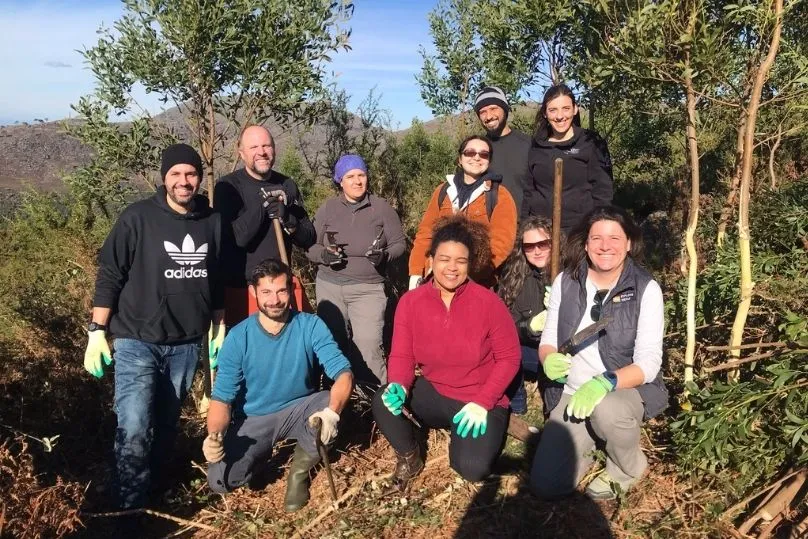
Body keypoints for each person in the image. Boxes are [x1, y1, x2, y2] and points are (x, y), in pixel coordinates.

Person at [82, 144, 225, 510]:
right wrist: (97, 331)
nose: (183, 181)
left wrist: (218, 326)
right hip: (137, 340)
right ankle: (129, 507)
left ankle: (155, 495)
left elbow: (216, 277)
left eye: (190, 173)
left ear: (199, 178)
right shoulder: (137, 218)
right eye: (176, 174)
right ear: (164, 178)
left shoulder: (212, 221)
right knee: (134, 424)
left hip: (186, 344)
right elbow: (110, 275)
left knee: (165, 425)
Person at [529, 205, 667, 501]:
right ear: (586, 244)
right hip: (571, 392)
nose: (605, 246)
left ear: (628, 243)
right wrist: (548, 358)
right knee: (546, 484)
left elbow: (649, 362)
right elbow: (549, 337)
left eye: (615, 238)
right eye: (597, 238)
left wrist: (606, 382)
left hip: (620, 391)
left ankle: (628, 467)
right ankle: (592, 438)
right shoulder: (567, 281)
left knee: (607, 411)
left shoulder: (646, 289)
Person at [373, 216, 520, 488]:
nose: (452, 268)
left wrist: (484, 401)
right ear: (431, 260)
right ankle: (410, 456)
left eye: (460, 261)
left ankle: (472, 436)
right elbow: (402, 355)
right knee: (384, 399)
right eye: (444, 259)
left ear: (470, 264)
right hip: (436, 393)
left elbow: (509, 358)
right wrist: (399, 385)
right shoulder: (410, 303)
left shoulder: (488, 303)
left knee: (472, 468)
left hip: (478, 400)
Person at [203, 258, 353, 512]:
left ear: (291, 290)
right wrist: (214, 435)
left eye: (281, 291)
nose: (274, 300)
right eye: (266, 292)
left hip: (300, 408)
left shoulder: (310, 325)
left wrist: (332, 413)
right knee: (221, 479)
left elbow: (343, 373)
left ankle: (299, 473)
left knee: (331, 402)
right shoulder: (238, 337)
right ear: (253, 292)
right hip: (255, 418)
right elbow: (222, 399)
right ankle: (259, 458)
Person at [306, 154, 406, 386]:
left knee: (368, 345)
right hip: (329, 287)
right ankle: (334, 395)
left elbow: (399, 243)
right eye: (350, 176)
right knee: (332, 343)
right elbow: (310, 246)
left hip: (368, 288)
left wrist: (384, 256)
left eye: (361, 175)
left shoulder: (381, 208)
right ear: (340, 181)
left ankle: (375, 397)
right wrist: (325, 256)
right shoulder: (328, 209)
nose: (357, 181)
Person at [214, 125, 316, 326]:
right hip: (244, 290)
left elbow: (309, 238)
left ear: (274, 149)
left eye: (266, 146)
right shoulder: (228, 187)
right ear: (241, 153)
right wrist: (264, 206)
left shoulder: (287, 184)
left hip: (281, 287)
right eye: (253, 147)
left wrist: (288, 219)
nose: (261, 152)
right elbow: (235, 239)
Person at [408, 135, 517, 289]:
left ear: (489, 161)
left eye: (483, 154)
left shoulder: (499, 195)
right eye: (470, 153)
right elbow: (425, 234)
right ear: (460, 159)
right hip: (436, 280)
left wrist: (470, 272)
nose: (476, 157)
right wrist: (416, 272)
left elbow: (501, 243)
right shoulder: (443, 191)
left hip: (477, 283)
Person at [522, 84, 613, 233]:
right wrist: (524, 228)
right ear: (545, 113)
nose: (560, 116)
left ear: (575, 109)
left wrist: (598, 229)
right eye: (553, 110)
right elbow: (528, 192)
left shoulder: (590, 142)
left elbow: (603, 192)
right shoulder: (536, 145)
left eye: (566, 108)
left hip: (580, 231)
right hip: (542, 231)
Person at [497, 216, 554, 415]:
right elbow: (504, 323)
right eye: (529, 246)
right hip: (530, 351)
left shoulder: (571, 274)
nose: (537, 251)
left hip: (563, 354)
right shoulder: (516, 276)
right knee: (502, 350)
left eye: (543, 244)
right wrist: (528, 326)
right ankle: (516, 404)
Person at [473, 85, 531, 213]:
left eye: (493, 109)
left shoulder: (528, 145)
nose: (489, 116)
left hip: (524, 222)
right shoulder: (477, 150)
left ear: (505, 109)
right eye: (482, 112)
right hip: (489, 222)